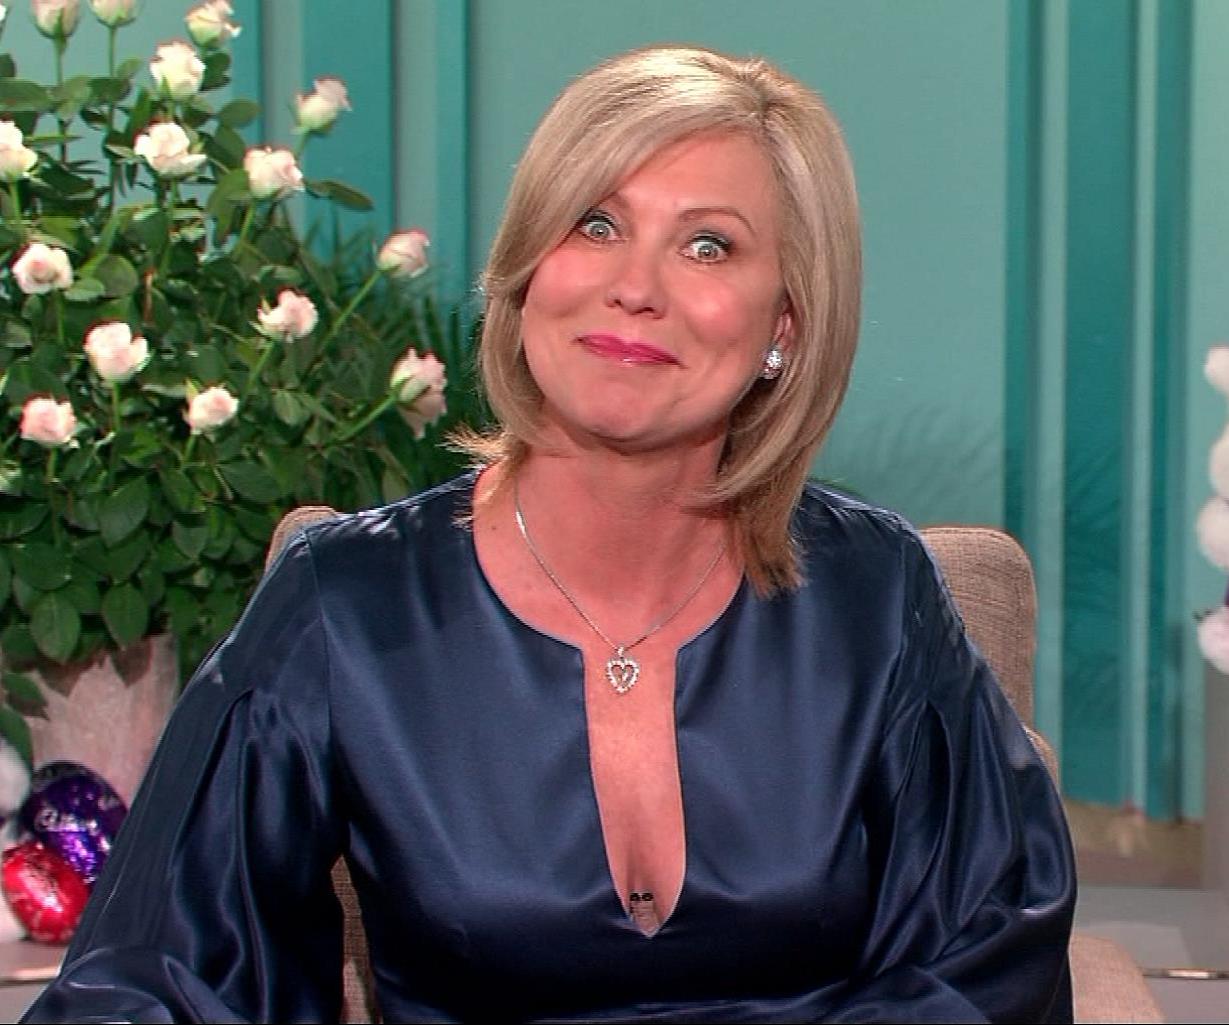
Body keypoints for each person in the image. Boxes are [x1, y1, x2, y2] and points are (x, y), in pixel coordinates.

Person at [23, 44, 1074, 1023]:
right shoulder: (342, 601)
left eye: (707, 244)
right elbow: (153, 973)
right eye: (594, 225)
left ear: (783, 327)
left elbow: (989, 955)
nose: (634, 287)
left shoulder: (877, 593)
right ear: (528, 271)